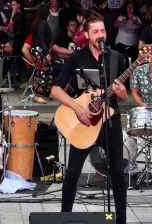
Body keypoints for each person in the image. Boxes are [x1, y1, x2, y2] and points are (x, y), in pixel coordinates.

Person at [50, 14, 129, 224]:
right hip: (84, 122)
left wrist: (121, 93)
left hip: (109, 120)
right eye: (95, 32)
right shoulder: (77, 58)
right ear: (86, 35)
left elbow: (124, 95)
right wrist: (77, 108)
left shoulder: (115, 58)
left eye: (103, 31)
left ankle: (121, 219)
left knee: (118, 174)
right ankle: (64, 218)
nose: (100, 35)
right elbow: (55, 90)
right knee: (73, 173)